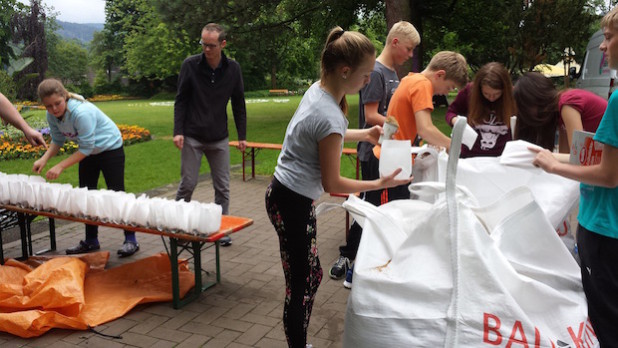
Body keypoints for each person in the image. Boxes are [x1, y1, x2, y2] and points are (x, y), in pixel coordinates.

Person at [264, 27, 411, 348]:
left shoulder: (321, 90)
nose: (367, 81)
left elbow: (327, 134)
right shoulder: (328, 111)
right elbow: (333, 184)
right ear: (345, 71)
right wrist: (379, 183)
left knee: (310, 275)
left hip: (288, 197)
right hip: (290, 202)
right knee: (302, 284)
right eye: (366, 75)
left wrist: (365, 133)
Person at [530, 7, 618, 346]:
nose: (602, 47)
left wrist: (555, 166)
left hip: (605, 230)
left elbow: (608, 174)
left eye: (608, 38)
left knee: (606, 321)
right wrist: (556, 156)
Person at [329, 21, 421, 286]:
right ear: (394, 42)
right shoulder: (377, 72)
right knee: (371, 206)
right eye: (409, 48)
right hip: (374, 153)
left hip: (391, 151)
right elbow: (370, 116)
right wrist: (402, 127)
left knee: (383, 206)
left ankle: (374, 255)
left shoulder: (393, 73)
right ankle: (348, 257)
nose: (411, 54)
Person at [32, 78, 139, 257]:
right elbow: (58, 140)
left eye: (57, 103)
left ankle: (131, 239)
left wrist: (60, 166)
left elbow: (86, 148)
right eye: (48, 106)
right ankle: (91, 241)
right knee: (86, 195)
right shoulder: (52, 115)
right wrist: (44, 159)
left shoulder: (81, 113)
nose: (54, 109)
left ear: (65, 96)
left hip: (110, 148)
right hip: (89, 152)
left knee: (117, 193)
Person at [173, 23, 247, 247]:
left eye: (211, 45)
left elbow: (239, 104)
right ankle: (176, 223)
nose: (206, 49)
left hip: (219, 137)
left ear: (222, 44)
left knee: (222, 187)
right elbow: (181, 100)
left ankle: (221, 228)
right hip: (193, 135)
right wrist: (178, 131)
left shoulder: (233, 69)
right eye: (203, 44)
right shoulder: (190, 65)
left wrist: (241, 135)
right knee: (188, 183)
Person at [385, 50, 469, 199]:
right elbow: (425, 128)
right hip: (392, 163)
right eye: (449, 87)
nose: (445, 93)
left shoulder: (412, 79)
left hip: (392, 157)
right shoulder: (423, 85)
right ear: (440, 75)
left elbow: (413, 125)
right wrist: (452, 145)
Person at [514, 71, 607, 153]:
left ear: (535, 100)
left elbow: (578, 155)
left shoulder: (568, 104)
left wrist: (540, 156)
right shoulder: (559, 113)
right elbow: (565, 154)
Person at [445, 62, 516, 157]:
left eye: (496, 94)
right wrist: (455, 121)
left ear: (504, 90)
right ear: (479, 89)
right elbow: (451, 112)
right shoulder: (469, 91)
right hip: (470, 155)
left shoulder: (514, 95)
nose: (491, 98)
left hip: (502, 156)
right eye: (486, 94)